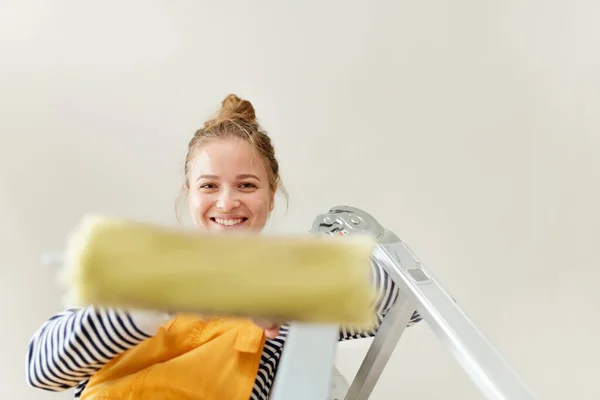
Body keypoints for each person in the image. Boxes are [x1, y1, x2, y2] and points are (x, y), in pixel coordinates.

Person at [25, 94, 422, 400]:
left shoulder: (293, 301)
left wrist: (276, 287)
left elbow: (410, 303)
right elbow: (43, 371)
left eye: (247, 185)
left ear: (271, 196)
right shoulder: (134, 271)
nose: (227, 202)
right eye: (209, 186)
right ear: (189, 194)